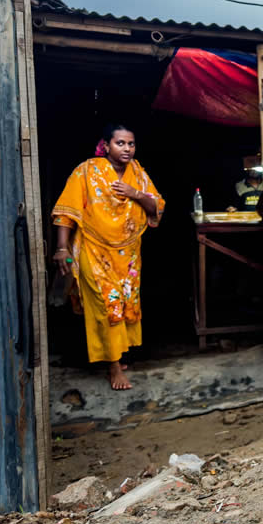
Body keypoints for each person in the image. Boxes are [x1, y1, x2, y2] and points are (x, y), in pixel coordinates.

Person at [52, 124, 165, 390]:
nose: (127, 149)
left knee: (125, 302)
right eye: (121, 143)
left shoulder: (138, 173)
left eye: (131, 144)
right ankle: (114, 367)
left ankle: (117, 355)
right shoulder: (86, 171)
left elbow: (156, 205)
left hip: (127, 254)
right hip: (93, 249)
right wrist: (61, 248)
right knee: (106, 305)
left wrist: (134, 194)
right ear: (106, 145)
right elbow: (66, 211)